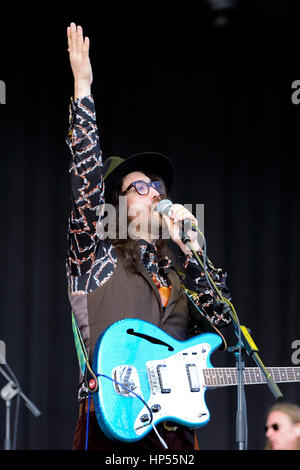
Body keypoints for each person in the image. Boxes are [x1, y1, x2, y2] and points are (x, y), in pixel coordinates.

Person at [66, 22, 232, 451]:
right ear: (116, 204)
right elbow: (85, 187)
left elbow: (224, 335)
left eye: (157, 187)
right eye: (140, 187)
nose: (154, 192)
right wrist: (83, 91)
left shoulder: (178, 270)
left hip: (175, 435)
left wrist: (195, 256)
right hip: (113, 426)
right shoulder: (95, 257)